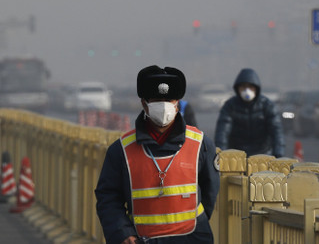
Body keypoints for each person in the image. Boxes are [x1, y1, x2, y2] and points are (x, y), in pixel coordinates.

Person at [95, 65, 220, 244]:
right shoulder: (121, 150)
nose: (164, 107)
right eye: (156, 100)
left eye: (169, 100)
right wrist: (122, 233)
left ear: (177, 104)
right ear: (144, 104)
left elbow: (210, 192)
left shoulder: (201, 144)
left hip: (193, 238)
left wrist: (197, 224)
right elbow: (107, 197)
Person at [215, 68, 285, 158]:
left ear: (256, 88)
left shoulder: (267, 106)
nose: (247, 91)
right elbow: (222, 132)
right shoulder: (230, 106)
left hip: (263, 154)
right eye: (243, 87)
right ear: (238, 88)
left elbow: (276, 131)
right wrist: (221, 154)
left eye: (250, 87)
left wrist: (278, 154)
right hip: (237, 156)